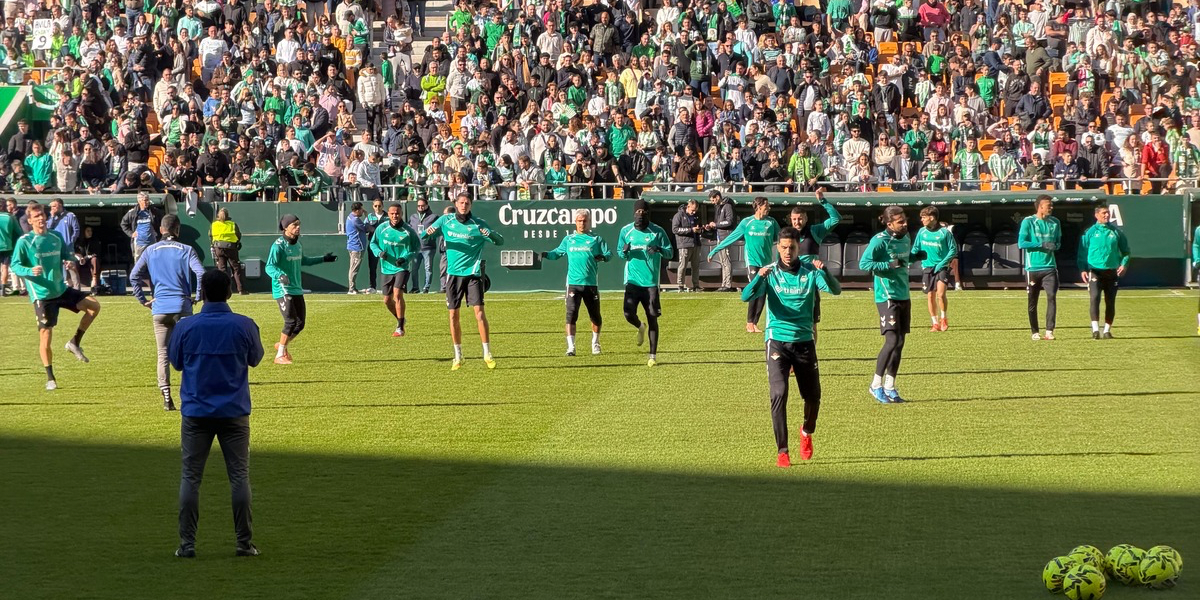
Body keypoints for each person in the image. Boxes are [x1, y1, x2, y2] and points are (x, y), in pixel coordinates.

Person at [168, 270, 263, 559]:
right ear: (229, 292)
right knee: (239, 477)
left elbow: (176, 363)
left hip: (197, 411)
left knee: (191, 478)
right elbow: (255, 359)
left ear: (203, 293)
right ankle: (243, 543)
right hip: (234, 411)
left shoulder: (186, 327)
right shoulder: (244, 325)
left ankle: (187, 544)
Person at [742, 227, 843, 467]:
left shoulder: (810, 270)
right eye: (784, 247)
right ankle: (782, 451)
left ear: (799, 248)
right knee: (778, 394)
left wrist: (826, 271)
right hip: (777, 341)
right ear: (777, 247)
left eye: (792, 248)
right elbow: (746, 296)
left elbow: (836, 290)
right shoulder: (770, 273)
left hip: (804, 342)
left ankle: (807, 432)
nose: (788, 252)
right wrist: (758, 277)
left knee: (813, 397)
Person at [10, 203, 102, 391]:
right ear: (30, 221)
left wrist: (70, 262)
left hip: (61, 289)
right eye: (36, 217)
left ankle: (75, 342)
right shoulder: (25, 241)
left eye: (42, 215)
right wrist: (29, 270)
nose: (41, 219)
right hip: (42, 295)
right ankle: (50, 377)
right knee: (46, 335)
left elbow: (67, 256)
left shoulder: (56, 236)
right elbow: (15, 266)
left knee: (94, 306)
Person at [420, 194, 504, 370]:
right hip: (453, 274)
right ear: (455, 204)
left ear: (471, 205)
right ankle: (458, 356)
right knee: (453, 315)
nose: (464, 205)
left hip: (473, 273)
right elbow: (424, 235)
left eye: (467, 203)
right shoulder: (445, 220)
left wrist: (490, 234)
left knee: (479, 313)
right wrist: (428, 232)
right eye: (461, 203)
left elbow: (499, 241)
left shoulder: (478, 224)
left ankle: (487, 353)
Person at [131, 215, 206, 411]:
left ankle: (167, 398)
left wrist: (143, 300)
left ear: (160, 229)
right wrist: (197, 296)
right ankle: (192, 394)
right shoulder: (187, 250)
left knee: (163, 354)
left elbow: (134, 276)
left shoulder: (150, 250)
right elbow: (201, 273)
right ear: (177, 230)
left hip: (160, 308)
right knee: (190, 353)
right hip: (182, 307)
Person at [265, 214, 337, 365]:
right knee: (290, 321)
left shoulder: (297, 245)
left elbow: (303, 260)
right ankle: (279, 355)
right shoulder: (278, 246)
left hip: (296, 288)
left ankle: (282, 345)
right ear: (285, 227)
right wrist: (280, 276)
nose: (298, 227)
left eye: (299, 224)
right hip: (283, 289)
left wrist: (323, 259)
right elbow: (269, 266)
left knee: (300, 324)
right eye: (294, 225)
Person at [860, 205, 912, 404]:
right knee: (891, 341)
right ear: (889, 224)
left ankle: (890, 386)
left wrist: (917, 257)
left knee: (900, 342)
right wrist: (888, 265)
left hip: (903, 294)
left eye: (905, 220)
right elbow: (864, 264)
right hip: (887, 296)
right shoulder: (879, 241)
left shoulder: (906, 237)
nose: (905, 224)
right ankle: (875, 385)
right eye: (900, 222)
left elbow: (904, 259)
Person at [542, 209, 613, 356]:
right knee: (571, 314)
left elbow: (609, 254)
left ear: (589, 222)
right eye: (579, 221)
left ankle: (595, 343)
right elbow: (557, 253)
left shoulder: (596, 239)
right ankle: (571, 347)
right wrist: (546, 255)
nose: (582, 223)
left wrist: (603, 257)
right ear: (575, 222)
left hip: (591, 283)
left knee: (595, 316)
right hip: (573, 283)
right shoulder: (569, 239)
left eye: (584, 220)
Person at [707, 197, 780, 333]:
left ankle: (755, 323)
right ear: (758, 207)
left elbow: (781, 239)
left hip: (767, 263)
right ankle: (749, 322)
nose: (769, 208)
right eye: (766, 206)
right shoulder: (747, 223)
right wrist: (715, 250)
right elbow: (731, 237)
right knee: (755, 289)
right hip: (752, 263)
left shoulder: (771, 222)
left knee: (763, 292)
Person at [617, 199, 674, 367]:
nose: (640, 215)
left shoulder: (657, 231)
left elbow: (670, 252)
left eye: (643, 212)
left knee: (653, 318)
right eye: (637, 212)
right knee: (628, 314)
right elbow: (620, 252)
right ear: (634, 213)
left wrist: (659, 249)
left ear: (647, 213)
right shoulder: (625, 231)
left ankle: (653, 355)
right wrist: (625, 251)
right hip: (632, 281)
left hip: (650, 283)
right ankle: (639, 326)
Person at [786, 187, 837, 338]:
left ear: (806, 218)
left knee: (812, 324)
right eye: (794, 219)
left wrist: (823, 200)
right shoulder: (787, 235)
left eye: (800, 218)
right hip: (791, 282)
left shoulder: (815, 231)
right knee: (790, 323)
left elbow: (835, 219)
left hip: (810, 281)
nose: (797, 222)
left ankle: (810, 357)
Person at [1078, 205, 1130, 339]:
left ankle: (1107, 330)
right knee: (1095, 298)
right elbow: (1082, 252)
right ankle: (1095, 330)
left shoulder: (1116, 232)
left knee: (1110, 301)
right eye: (1103, 213)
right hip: (1095, 270)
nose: (1106, 215)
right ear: (1096, 215)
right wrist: (1083, 269)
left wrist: (1124, 264)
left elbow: (1126, 251)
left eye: (1108, 213)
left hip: (1112, 272)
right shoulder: (1089, 232)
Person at [369, 203, 420, 337]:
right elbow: (372, 243)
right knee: (387, 300)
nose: (395, 216)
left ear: (401, 214)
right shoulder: (382, 228)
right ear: (389, 214)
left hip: (402, 267)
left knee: (397, 294)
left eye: (397, 213)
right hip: (386, 268)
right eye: (392, 213)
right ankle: (400, 319)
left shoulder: (408, 231)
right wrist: (379, 253)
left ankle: (400, 328)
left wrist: (405, 258)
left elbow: (416, 247)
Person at [1018, 196, 1062, 340]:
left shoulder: (1055, 222)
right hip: (1033, 268)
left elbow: (1058, 242)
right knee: (1032, 301)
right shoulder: (1028, 222)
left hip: (1050, 267)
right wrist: (1041, 244)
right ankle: (1034, 331)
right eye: (1048, 205)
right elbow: (1021, 243)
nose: (1051, 208)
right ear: (1040, 207)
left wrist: (1055, 246)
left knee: (1051, 297)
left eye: (1052, 205)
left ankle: (1049, 331)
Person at [910, 206, 957, 332]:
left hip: (942, 267)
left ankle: (944, 318)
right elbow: (916, 248)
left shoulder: (944, 233)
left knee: (940, 294)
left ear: (932, 218)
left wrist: (943, 263)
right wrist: (909, 259)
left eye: (924, 217)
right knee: (930, 295)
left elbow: (953, 249)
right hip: (927, 267)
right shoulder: (922, 232)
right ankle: (934, 323)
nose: (921, 220)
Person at [120, 192, 164, 265]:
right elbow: (123, 224)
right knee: (139, 264)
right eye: (144, 200)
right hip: (139, 243)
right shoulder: (133, 212)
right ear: (139, 201)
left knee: (154, 262)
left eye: (148, 200)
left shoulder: (154, 211)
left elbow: (163, 220)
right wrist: (131, 234)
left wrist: (159, 231)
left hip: (152, 242)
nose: (147, 202)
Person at [210, 208, 246, 295]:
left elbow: (210, 235)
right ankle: (240, 289)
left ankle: (224, 290)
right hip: (231, 248)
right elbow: (238, 235)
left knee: (222, 270)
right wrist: (237, 243)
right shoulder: (232, 224)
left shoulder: (214, 225)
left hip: (218, 248)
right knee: (236, 269)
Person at [47, 199, 81, 289]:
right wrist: (52, 217)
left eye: (54, 206)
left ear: (60, 205)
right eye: (51, 207)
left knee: (71, 268)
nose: (52, 208)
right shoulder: (51, 218)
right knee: (58, 269)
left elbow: (76, 230)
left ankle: (77, 289)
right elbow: (48, 228)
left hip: (68, 247)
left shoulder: (70, 215)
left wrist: (71, 241)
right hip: (55, 248)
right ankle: (61, 289)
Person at [407, 198, 438, 294]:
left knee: (428, 268)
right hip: (416, 248)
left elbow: (439, 229)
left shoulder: (434, 217)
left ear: (427, 205)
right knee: (414, 269)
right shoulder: (413, 217)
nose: (420, 207)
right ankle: (415, 287)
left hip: (428, 247)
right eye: (418, 206)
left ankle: (426, 287)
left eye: (422, 205)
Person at [671, 199, 703, 292]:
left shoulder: (696, 216)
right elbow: (675, 230)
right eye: (692, 210)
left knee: (696, 266)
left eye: (695, 210)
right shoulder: (678, 215)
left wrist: (700, 229)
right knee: (683, 265)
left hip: (696, 243)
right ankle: (680, 285)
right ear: (688, 206)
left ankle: (696, 285)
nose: (694, 212)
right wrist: (690, 230)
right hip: (684, 244)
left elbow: (698, 228)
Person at [707, 190, 735, 291]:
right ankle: (724, 283)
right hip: (720, 236)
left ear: (718, 197)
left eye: (713, 199)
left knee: (726, 260)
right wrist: (711, 228)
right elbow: (718, 223)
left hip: (726, 237)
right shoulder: (719, 207)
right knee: (723, 261)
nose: (712, 202)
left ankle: (728, 285)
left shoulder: (727, 206)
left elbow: (729, 221)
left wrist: (716, 225)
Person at [345, 201, 368, 294]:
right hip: (356, 247)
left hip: (353, 246)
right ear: (357, 210)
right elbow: (366, 228)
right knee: (353, 269)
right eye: (361, 209)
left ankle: (353, 287)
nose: (363, 211)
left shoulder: (350, 216)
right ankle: (351, 288)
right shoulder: (355, 220)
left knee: (353, 268)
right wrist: (367, 218)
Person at [0, 202, 22, 297]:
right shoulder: (10, 217)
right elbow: (19, 232)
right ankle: (3, 289)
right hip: (6, 246)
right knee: (5, 268)